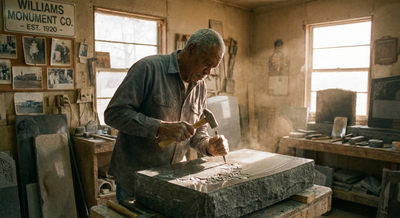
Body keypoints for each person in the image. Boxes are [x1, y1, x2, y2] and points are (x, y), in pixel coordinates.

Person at [104, 28, 229, 200]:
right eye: (206, 63)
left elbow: (196, 134)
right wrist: (160, 127)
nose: (208, 73)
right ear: (191, 49)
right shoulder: (148, 68)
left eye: (213, 67)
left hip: (172, 179)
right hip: (135, 180)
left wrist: (208, 146)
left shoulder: (200, 86)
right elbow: (114, 113)